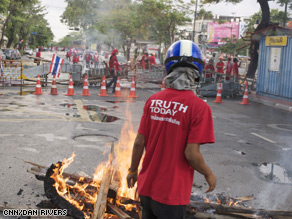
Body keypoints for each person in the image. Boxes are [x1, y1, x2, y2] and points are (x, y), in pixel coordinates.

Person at [126, 40, 216, 219]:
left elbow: (139, 142)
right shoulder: (199, 107)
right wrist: (208, 173)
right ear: (198, 71)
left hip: (146, 189)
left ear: (169, 69)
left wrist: (133, 170)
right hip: (171, 195)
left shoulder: (154, 100)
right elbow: (191, 154)